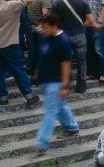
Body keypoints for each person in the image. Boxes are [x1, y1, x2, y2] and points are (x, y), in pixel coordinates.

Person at [34, 13, 80, 154]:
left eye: (45, 27)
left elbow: (66, 65)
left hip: (56, 82)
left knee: (50, 111)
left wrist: (65, 86)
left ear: (54, 26)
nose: (42, 30)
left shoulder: (63, 41)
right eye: (41, 27)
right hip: (45, 80)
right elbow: (42, 55)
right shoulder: (45, 37)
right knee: (60, 106)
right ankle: (72, 127)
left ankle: (42, 142)